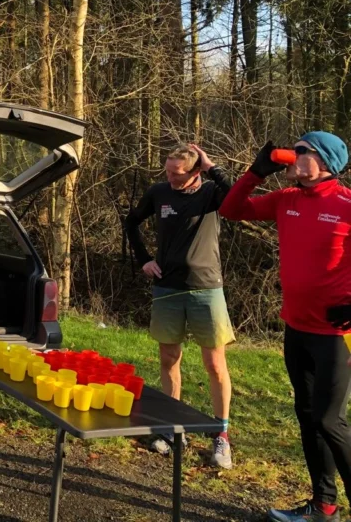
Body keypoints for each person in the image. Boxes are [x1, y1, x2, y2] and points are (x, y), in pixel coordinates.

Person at [221, 133, 351, 522]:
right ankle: (324, 506)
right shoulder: (286, 200)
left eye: (301, 151)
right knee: (308, 417)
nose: (292, 156)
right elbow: (231, 210)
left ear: (323, 162)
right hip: (296, 329)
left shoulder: (346, 205)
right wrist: (255, 173)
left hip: (337, 336)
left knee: (329, 420)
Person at [124, 143, 235, 469]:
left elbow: (238, 198)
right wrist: (144, 260)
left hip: (206, 288)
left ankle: (221, 435)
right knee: (169, 358)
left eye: (177, 173)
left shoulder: (212, 193)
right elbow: (131, 223)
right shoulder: (159, 193)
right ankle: (173, 428)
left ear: (196, 171)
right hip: (167, 288)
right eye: (168, 171)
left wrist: (213, 167)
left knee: (215, 364)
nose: (170, 177)